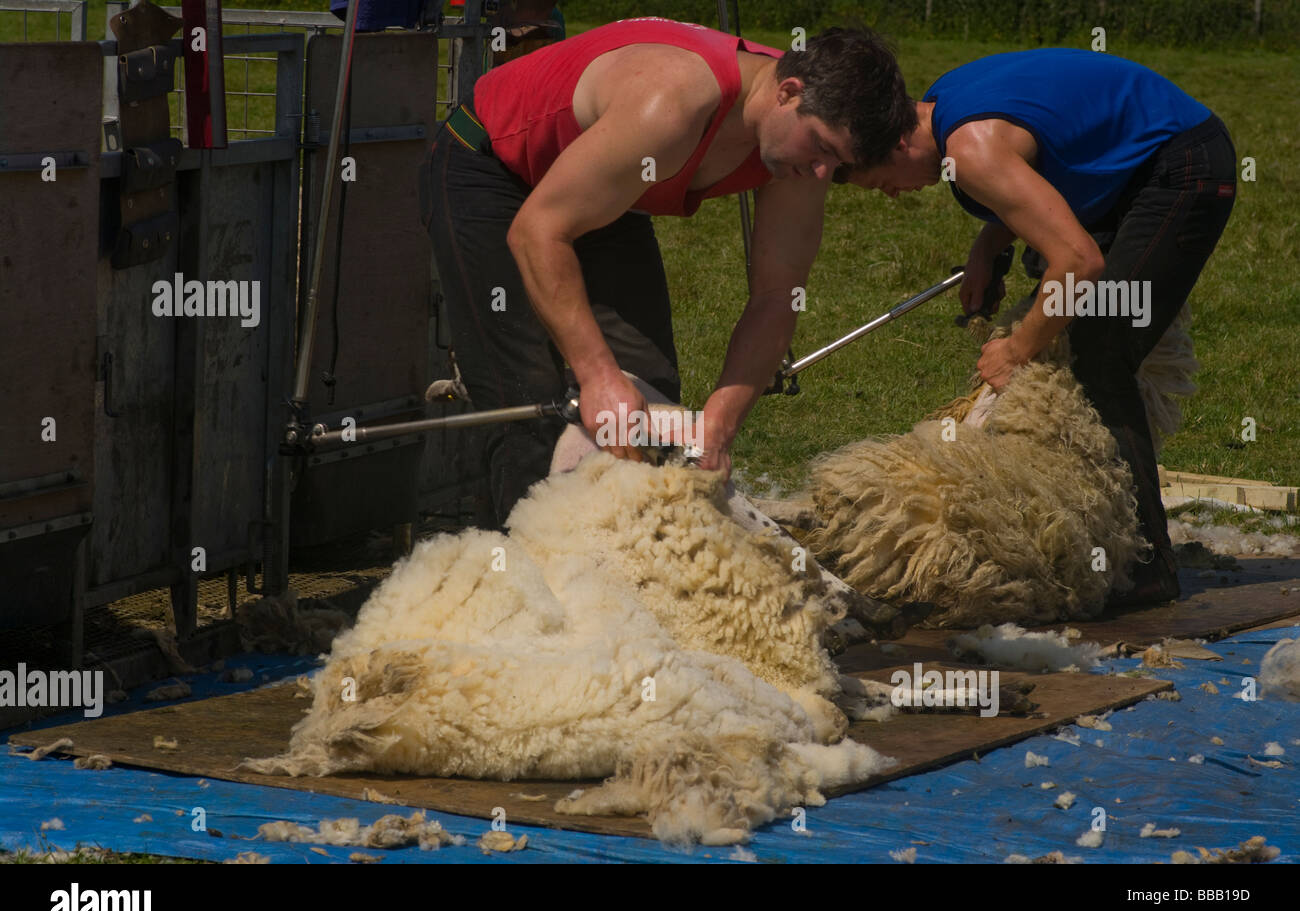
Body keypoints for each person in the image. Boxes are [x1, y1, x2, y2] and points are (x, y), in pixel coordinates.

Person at [422, 18, 913, 527]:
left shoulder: (800, 148)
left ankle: (629, 569)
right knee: (532, 403)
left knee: (651, 398)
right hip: (492, 168)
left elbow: (778, 295)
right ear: (788, 92)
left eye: (838, 164)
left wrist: (718, 427)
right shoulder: (672, 103)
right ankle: (528, 575)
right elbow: (538, 232)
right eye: (823, 149)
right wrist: (598, 377)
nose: (821, 174)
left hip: (606, 186)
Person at [847, 47, 1236, 605]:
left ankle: (1149, 565)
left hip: (1180, 168)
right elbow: (1029, 171)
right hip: (1132, 166)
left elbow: (1079, 263)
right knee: (1062, 299)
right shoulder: (942, 105)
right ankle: (1081, 522)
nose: (890, 194)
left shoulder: (970, 148)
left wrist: (1016, 349)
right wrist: (989, 244)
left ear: (898, 142)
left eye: (880, 181)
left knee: (1100, 347)